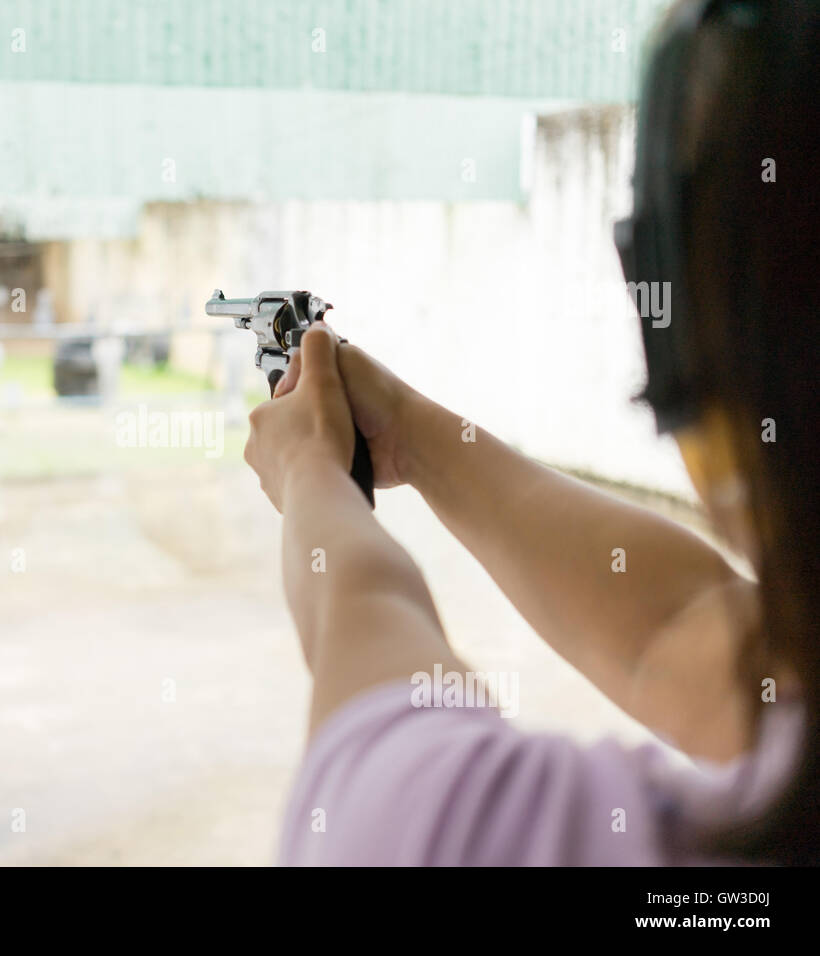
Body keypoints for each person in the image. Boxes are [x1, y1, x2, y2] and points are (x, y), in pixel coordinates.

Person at [245, 0, 818, 865]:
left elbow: (363, 656)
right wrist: (405, 434)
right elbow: (682, 629)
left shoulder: (491, 838)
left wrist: (310, 474)